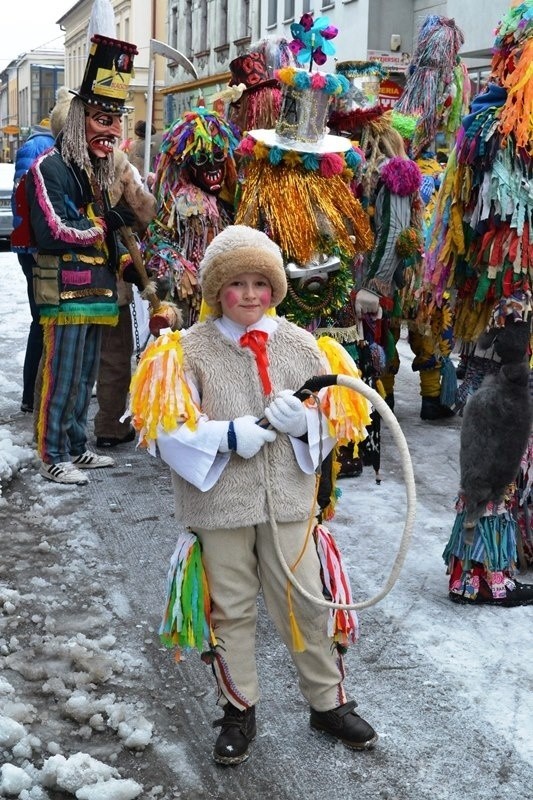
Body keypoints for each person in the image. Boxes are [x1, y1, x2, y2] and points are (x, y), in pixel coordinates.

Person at [129, 225, 377, 765]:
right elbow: (167, 429)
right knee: (230, 608)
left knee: (308, 600)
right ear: (216, 289)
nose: (247, 294)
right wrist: (229, 436)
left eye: (259, 283)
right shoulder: (186, 351)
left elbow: (338, 419)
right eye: (235, 284)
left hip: (288, 502)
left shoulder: (301, 345)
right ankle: (238, 708)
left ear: (274, 288)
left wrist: (306, 422)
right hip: (219, 507)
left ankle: (327, 701)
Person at [25, 34, 139, 485]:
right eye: (100, 118)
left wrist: (123, 255)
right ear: (77, 120)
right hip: (64, 289)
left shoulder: (97, 171)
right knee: (62, 375)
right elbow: (53, 232)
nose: (110, 131)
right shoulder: (49, 167)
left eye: (114, 121)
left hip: (97, 291)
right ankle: (53, 453)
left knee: (85, 377)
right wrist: (105, 224)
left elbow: (103, 231)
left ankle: (76, 446)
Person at [10, 119, 55, 414]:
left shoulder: (30, 146)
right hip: (37, 249)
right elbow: (38, 201)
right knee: (44, 320)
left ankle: (32, 393)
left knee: (40, 320)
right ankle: (34, 393)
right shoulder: (44, 148)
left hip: (26, 246)